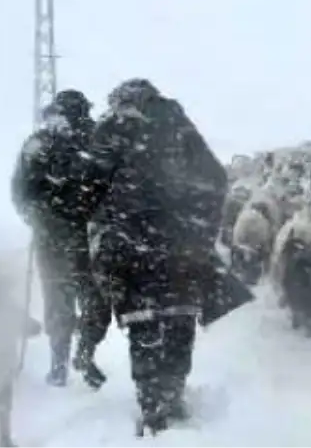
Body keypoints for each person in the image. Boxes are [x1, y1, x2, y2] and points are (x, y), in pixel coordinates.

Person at [82, 78, 230, 434]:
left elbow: (89, 183)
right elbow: (216, 178)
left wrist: (103, 218)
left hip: (130, 246)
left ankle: (152, 404)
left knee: (143, 320)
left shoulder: (112, 127)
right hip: (181, 245)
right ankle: (173, 391)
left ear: (120, 100)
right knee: (180, 316)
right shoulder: (180, 125)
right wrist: (201, 230)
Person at [10, 89, 110, 389]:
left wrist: (39, 218)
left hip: (59, 236)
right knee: (92, 298)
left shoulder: (40, 143)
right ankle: (80, 355)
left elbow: (21, 194)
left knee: (61, 299)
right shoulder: (93, 141)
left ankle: (64, 363)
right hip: (83, 235)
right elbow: (23, 193)